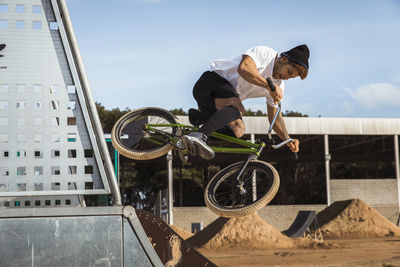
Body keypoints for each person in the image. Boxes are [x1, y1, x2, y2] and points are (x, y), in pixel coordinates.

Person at [182, 44, 309, 160]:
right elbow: (244, 68)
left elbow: (275, 120)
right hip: (210, 83)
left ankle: (196, 124)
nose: (286, 77)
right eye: (289, 72)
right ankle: (199, 135)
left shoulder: (279, 87)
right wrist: (269, 87)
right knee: (239, 108)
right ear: (283, 59)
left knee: (238, 130)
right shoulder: (265, 54)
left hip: (215, 105)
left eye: (291, 77)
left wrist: (287, 139)